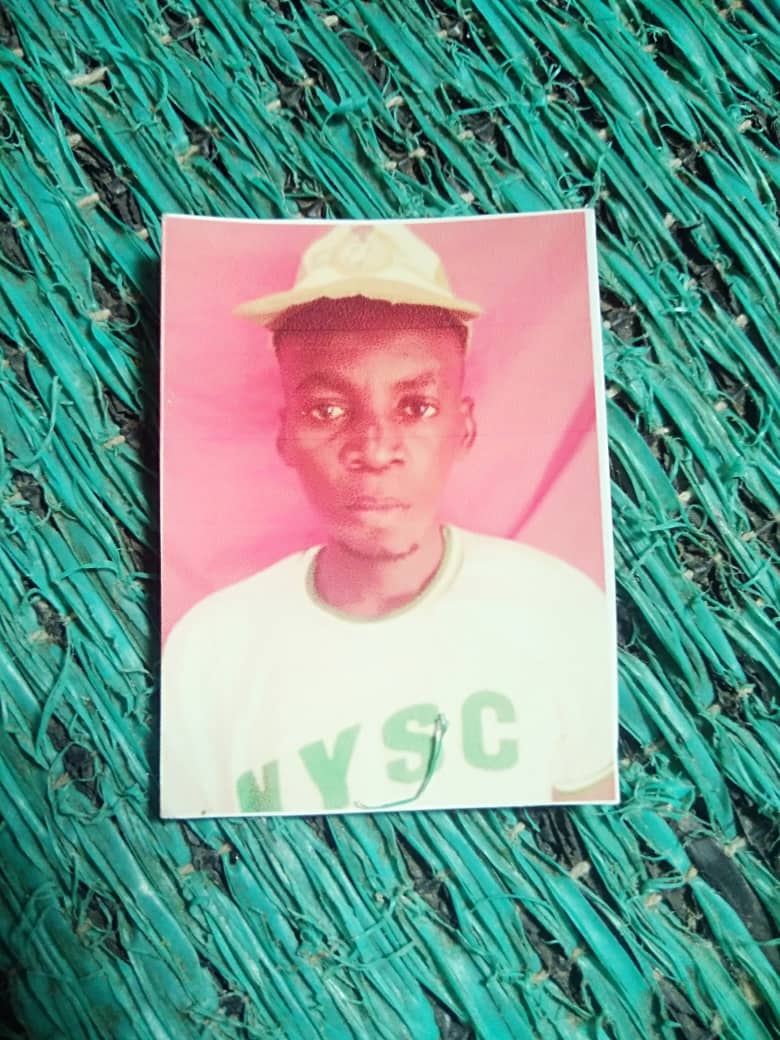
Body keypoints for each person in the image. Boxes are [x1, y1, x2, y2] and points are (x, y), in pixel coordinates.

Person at [161, 222, 616, 817]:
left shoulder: (557, 607)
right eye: (327, 410)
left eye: (416, 407)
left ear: (464, 428)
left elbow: (595, 835)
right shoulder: (209, 652)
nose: (374, 450)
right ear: (286, 436)